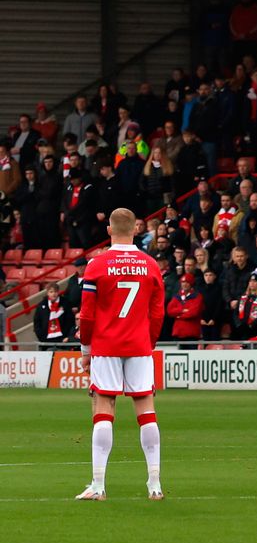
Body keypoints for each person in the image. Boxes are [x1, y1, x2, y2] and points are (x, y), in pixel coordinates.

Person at [75, 208, 165, 501]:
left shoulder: (97, 265)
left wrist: (86, 349)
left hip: (106, 345)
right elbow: (157, 312)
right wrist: (147, 342)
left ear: (109, 231)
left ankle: (98, 486)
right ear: (136, 229)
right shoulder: (151, 265)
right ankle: (155, 485)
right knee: (146, 412)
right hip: (139, 345)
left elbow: (87, 315)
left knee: (104, 410)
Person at [166, 273, 204, 342]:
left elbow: (193, 313)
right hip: (178, 332)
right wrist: (183, 311)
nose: (184, 284)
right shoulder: (177, 296)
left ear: (191, 284)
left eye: (187, 282)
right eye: (183, 282)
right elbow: (169, 310)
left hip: (192, 333)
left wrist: (178, 316)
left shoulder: (197, 297)